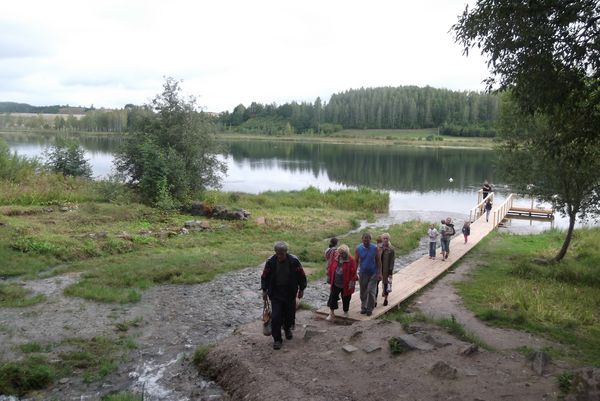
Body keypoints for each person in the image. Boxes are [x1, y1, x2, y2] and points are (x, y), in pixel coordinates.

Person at [261, 241, 307, 350]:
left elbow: (301, 275)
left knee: (289, 315)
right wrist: (264, 290)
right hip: (276, 293)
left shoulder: (294, 262)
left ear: (286, 252)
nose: (279, 256)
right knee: (276, 317)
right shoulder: (271, 262)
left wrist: (301, 289)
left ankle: (287, 329)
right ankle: (277, 339)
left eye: (281, 253)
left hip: (290, 292)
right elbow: (264, 276)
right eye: (277, 253)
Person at [326, 244, 357, 321]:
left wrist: (352, 282)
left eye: (342, 253)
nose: (340, 254)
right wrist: (329, 277)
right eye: (339, 252)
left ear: (346, 253)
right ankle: (331, 313)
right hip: (335, 282)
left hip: (346, 284)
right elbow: (331, 268)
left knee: (346, 298)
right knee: (332, 297)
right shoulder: (335, 258)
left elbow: (353, 272)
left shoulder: (351, 260)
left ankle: (346, 311)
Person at [355, 233, 382, 316]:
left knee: (370, 291)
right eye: (364, 239)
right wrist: (354, 273)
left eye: (368, 240)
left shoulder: (374, 248)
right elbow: (356, 261)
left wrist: (379, 273)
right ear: (362, 240)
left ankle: (370, 308)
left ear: (370, 240)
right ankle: (363, 307)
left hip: (373, 273)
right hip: (362, 273)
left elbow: (378, 261)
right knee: (363, 292)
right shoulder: (358, 248)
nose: (366, 241)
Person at [379, 233, 395, 307]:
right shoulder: (379, 248)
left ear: (389, 239)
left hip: (386, 269)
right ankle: (375, 300)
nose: (385, 239)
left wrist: (390, 271)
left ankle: (386, 298)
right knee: (376, 283)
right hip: (378, 269)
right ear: (382, 239)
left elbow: (392, 261)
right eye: (384, 238)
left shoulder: (391, 249)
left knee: (386, 284)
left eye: (387, 238)